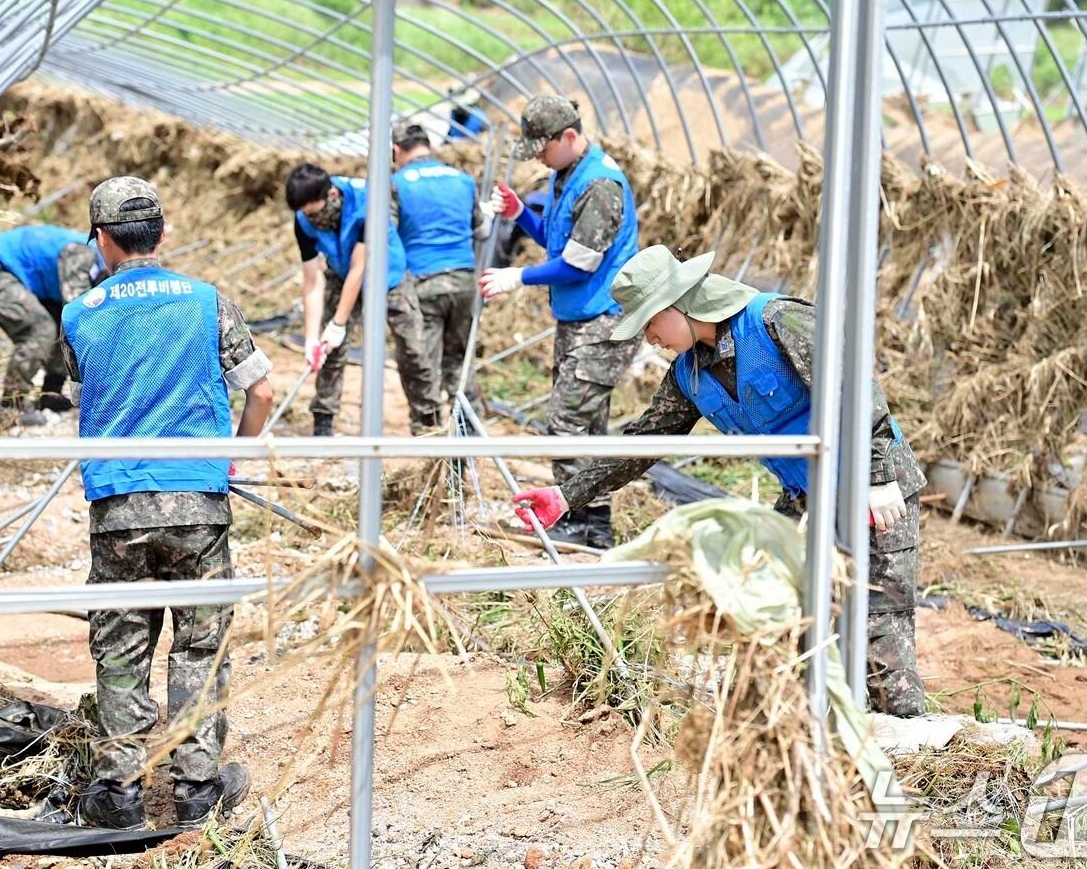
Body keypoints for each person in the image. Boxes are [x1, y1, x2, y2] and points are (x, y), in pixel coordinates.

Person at [511, 245, 928, 718]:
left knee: (879, 629)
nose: (651, 339)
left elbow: (853, 388)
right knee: (774, 612)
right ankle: (790, 737)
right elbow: (644, 442)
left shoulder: (774, 321)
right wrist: (567, 495)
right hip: (807, 497)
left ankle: (904, 754)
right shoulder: (689, 374)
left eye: (650, 324)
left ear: (678, 305)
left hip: (874, 487)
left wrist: (876, 477)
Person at [59, 177, 274, 829]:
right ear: (164, 232)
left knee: (122, 644)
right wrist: (229, 456)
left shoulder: (80, 312)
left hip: (118, 505)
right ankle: (195, 790)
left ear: (101, 239)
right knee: (200, 645)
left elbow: (78, 396)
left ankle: (118, 791)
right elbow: (261, 391)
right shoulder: (209, 303)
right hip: (197, 505)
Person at [478, 96, 641, 548]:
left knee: (567, 421)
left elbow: (579, 264)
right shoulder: (565, 175)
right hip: (578, 317)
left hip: (603, 321)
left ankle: (571, 518)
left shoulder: (600, 186)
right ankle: (595, 524)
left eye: (543, 149)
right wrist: (519, 214)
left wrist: (518, 276)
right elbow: (554, 239)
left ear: (569, 137)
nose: (540, 159)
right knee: (588, 426)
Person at [287, 163, 439, 436]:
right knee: (330, 351)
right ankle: (323, 420)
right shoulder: (302, 220)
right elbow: (312, 280)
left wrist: (338, 323)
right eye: (306, 215)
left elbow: (361, 268)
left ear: (331, 194)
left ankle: (428, 422)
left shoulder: (366, 201)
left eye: (314, 212)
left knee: (414, 349)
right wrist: (312, 337)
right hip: (341, 272)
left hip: (387, 275)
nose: (312, 220)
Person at [390, 121, 492, 410]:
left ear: (397, 150)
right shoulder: (462, 179)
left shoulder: (396, 184)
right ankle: (468, 438)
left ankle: (429, 437)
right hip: (463, 282)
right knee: (459, 361)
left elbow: (387, 234)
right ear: (430, 147)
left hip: (423, 283)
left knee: (424, 366)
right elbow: (482, 231)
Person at [0, 224, 107, 416]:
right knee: (41, 329)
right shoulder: (83, 255)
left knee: (59, 325)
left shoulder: (103, 263)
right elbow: (77, 313)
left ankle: (51, 394)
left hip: (25, 277)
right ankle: (10, 405)